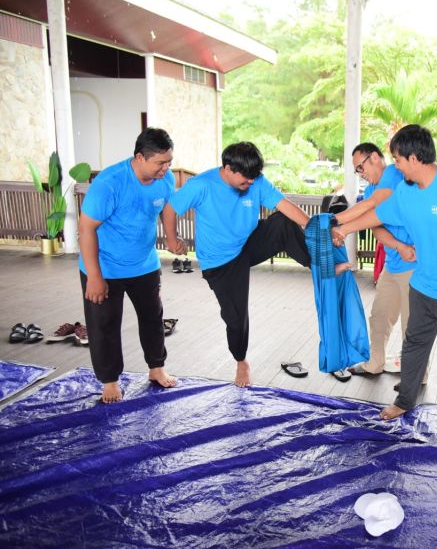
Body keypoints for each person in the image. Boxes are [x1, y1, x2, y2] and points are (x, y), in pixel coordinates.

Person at [333, 125, 437, 433]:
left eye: (397, 159)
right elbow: (378, 215)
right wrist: (343, 229)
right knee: (413, 345)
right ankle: (405, 400)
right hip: (423, 284)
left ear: (413, 158)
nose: (394, 166)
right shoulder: (406, 193)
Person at [162, 142, 314, 388]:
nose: (251, 183)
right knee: (235, 317)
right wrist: (172, 239)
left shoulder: (255, 179)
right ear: (229, 168)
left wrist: (315, 229)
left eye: (254, 178)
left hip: (248, 244)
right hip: (221, 261)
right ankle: (241, 361)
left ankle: (318, 266)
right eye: (245, 178)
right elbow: (170, 209)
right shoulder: (201, 185)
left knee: (282, 222)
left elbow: (285, 205)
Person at [78, 127, 179, 403]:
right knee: (105, 325)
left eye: (168, 161)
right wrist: (95, 278)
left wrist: (171, 237)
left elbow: (167, 207)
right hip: (105, 267)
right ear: (140, 157)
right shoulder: (110, 184)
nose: (166, 168)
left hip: (144, 264)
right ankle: (110, 381)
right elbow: (86, 229)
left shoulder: (165, 178)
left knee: (152, 317)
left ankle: (156, 368)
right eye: (160, 163)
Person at [333, 142, 416, 376]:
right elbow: (376, 226)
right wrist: (398, 245)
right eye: (356, 170)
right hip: (394, 263)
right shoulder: (370, 190)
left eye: (361, 167)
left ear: (376, 158)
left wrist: (336, 223)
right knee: (379, 317)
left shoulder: (393, 174)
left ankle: (415, 376)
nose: (361, 174)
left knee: (412, 325)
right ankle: (374, 363)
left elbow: (373, 205)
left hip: (416, 263)